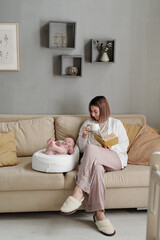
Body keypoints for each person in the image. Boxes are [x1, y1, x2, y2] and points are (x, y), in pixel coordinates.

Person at [60, 96, 129, 236]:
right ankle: (99, 214)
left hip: (114, 158)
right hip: (96, 162)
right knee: (96, 167)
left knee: (92, 149)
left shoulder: (116, 123)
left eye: (95, 111)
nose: (92, 114)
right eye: (91, 111)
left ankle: (79, 190)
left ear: (103, 110)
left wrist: (110, 147)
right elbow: (81, 149)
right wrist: (84, 136)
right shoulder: (87, 123)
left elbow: (124, 144)